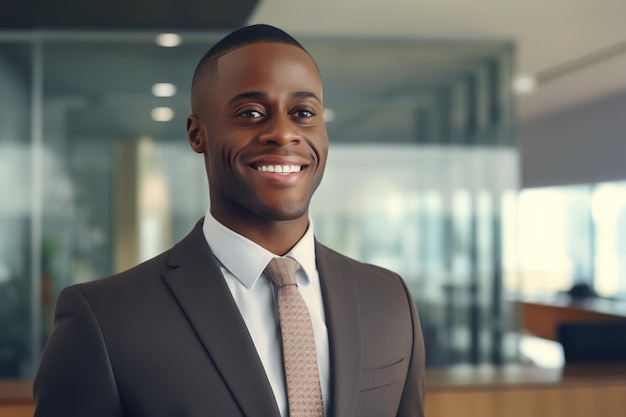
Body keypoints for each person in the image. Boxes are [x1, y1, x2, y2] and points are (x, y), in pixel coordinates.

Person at [33, 24, 425, 417]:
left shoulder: (389, 300)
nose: (283, 133)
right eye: (251, 113)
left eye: (303, 113)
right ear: (196, 133)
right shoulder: (105, 319)